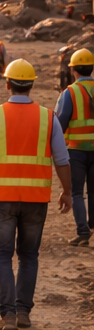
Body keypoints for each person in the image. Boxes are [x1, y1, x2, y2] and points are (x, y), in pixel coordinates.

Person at [0, 60, 71, 330]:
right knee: (29, 255)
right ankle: (23, 311)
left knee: (1, 255)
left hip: (1, 197)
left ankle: (8, 315)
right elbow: (62, 159)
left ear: (7, 84)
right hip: (36, 198)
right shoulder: (49, 118)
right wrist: (68, 191)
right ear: (32, 84)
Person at [56, 48, 94, 247]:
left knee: (77, 192)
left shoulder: (69, 92)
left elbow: (60, 123)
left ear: (74, 71)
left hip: (77, 149)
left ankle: (83, 231)